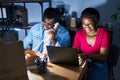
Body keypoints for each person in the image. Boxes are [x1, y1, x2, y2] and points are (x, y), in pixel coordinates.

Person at [72, 7, 111, 80]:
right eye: (84, 24)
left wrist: (86, 55)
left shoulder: (104, 33)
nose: (86, 26)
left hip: (99, 63)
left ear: (96, 23)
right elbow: (74, 52)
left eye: (89, 24)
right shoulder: (79, 34)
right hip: (84, 62)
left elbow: (104, 57)